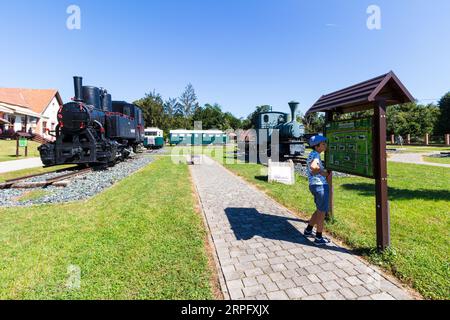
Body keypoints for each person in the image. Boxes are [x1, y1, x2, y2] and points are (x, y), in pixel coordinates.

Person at [304, 135, 332, 245]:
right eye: (323, 144)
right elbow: (313, 167)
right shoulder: (315, 155)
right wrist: (323, 173)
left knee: (319, 209)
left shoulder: (313, 154)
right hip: (320, 186)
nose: (325, 145)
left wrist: (321, 171)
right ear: (317, 146)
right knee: (322, 213)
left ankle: (308, 230)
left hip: (314, 185)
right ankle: (319, 238)